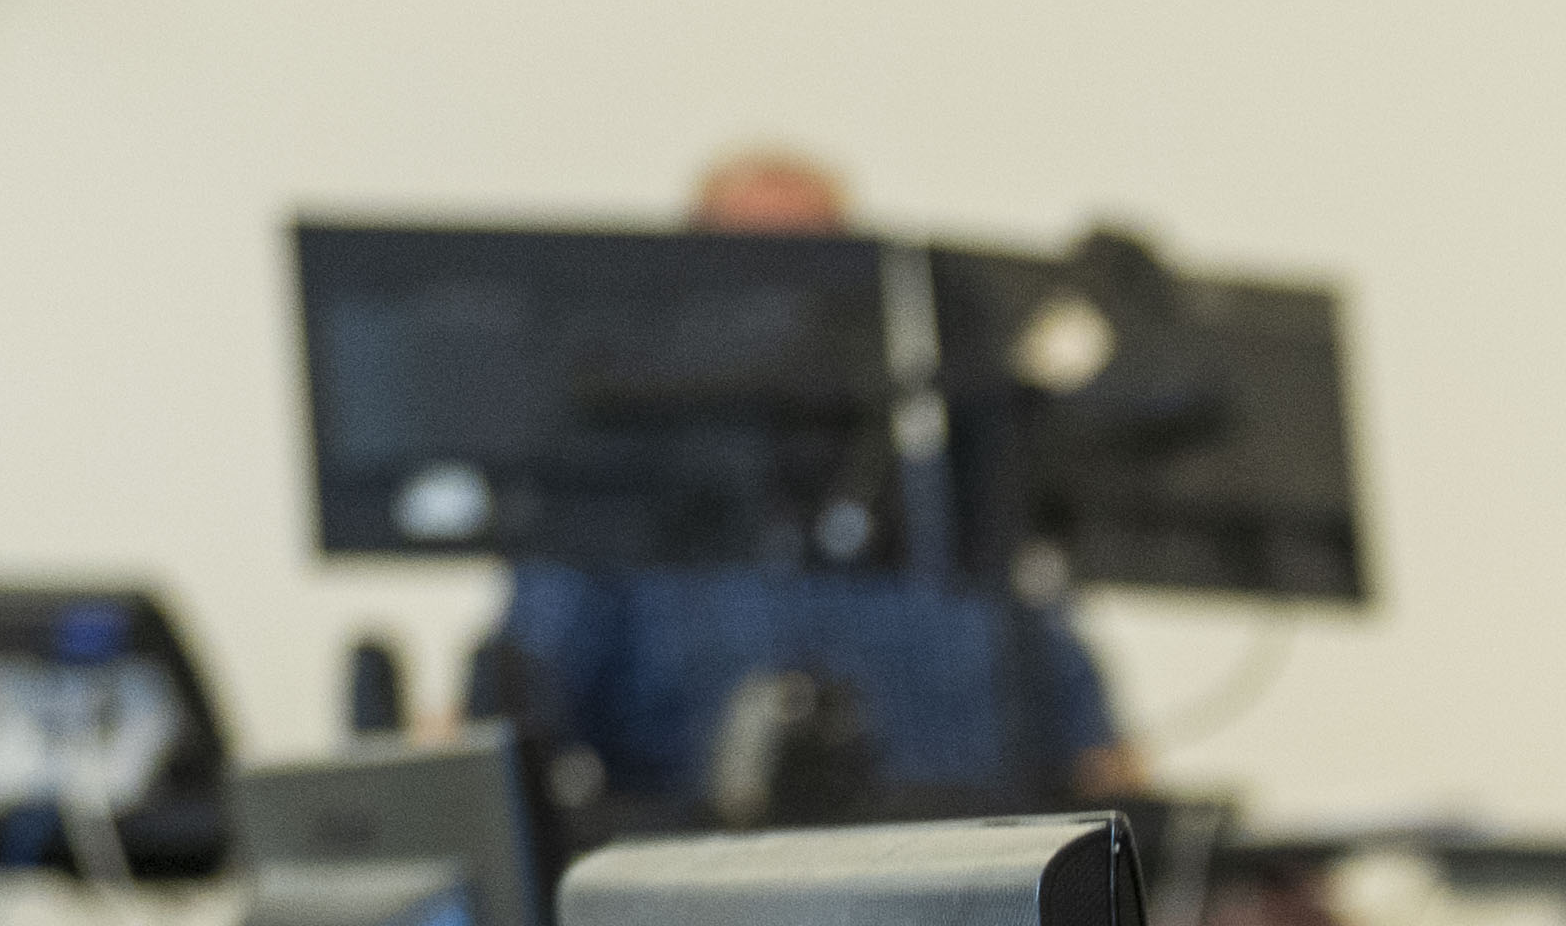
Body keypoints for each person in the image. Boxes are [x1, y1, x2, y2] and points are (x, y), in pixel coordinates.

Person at [465, 149, 1129, 814]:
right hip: (703, 896)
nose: (782, 309)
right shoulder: (615, 502)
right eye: (750, 268)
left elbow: (1092, 749)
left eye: (813, 267)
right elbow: (509, 728)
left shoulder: (952, 497)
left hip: (963, 889)